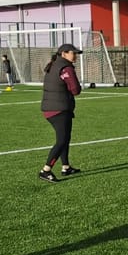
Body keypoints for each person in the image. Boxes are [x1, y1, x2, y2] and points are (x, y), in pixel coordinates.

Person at [38, 44, 83, 182]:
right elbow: (75, 89)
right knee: (62, 140)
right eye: (73, 53)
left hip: (52, 107)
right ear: (63, 54)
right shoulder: (66, 68)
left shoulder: (53, 65)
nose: (75, 56)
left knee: (65, 138)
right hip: (59, 108)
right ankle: (45, 170)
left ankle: (66, 166)